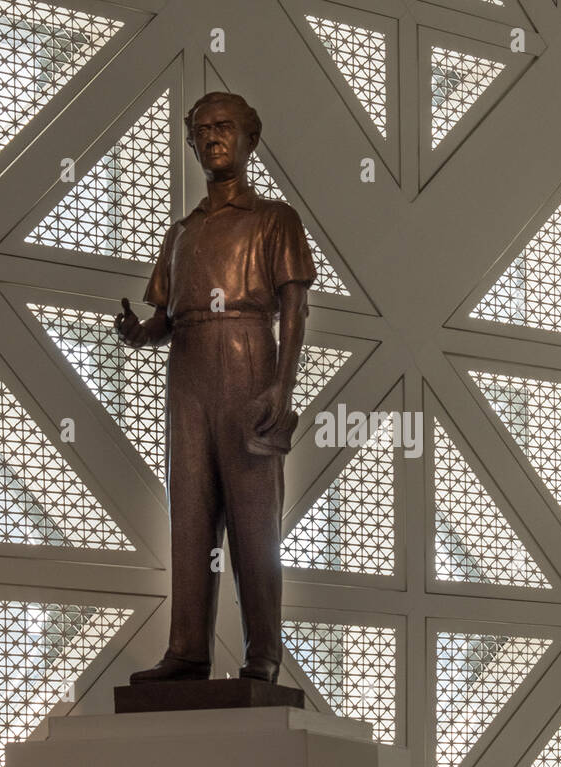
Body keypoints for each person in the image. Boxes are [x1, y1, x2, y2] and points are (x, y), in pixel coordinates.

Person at [114, 91, 315, 683]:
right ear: (191, 141)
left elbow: (295, 305)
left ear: (251, 138)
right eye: (201, 129)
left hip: (249, 352)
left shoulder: (274, 219)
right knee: (191, 512)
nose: (212, 136)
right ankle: (187, 649)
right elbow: (167, 318)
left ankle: (263, 654)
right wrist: (139, 332)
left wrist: (283, 384)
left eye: (225, 126)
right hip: (189, 365)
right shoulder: (182, 234)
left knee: (255, 516)